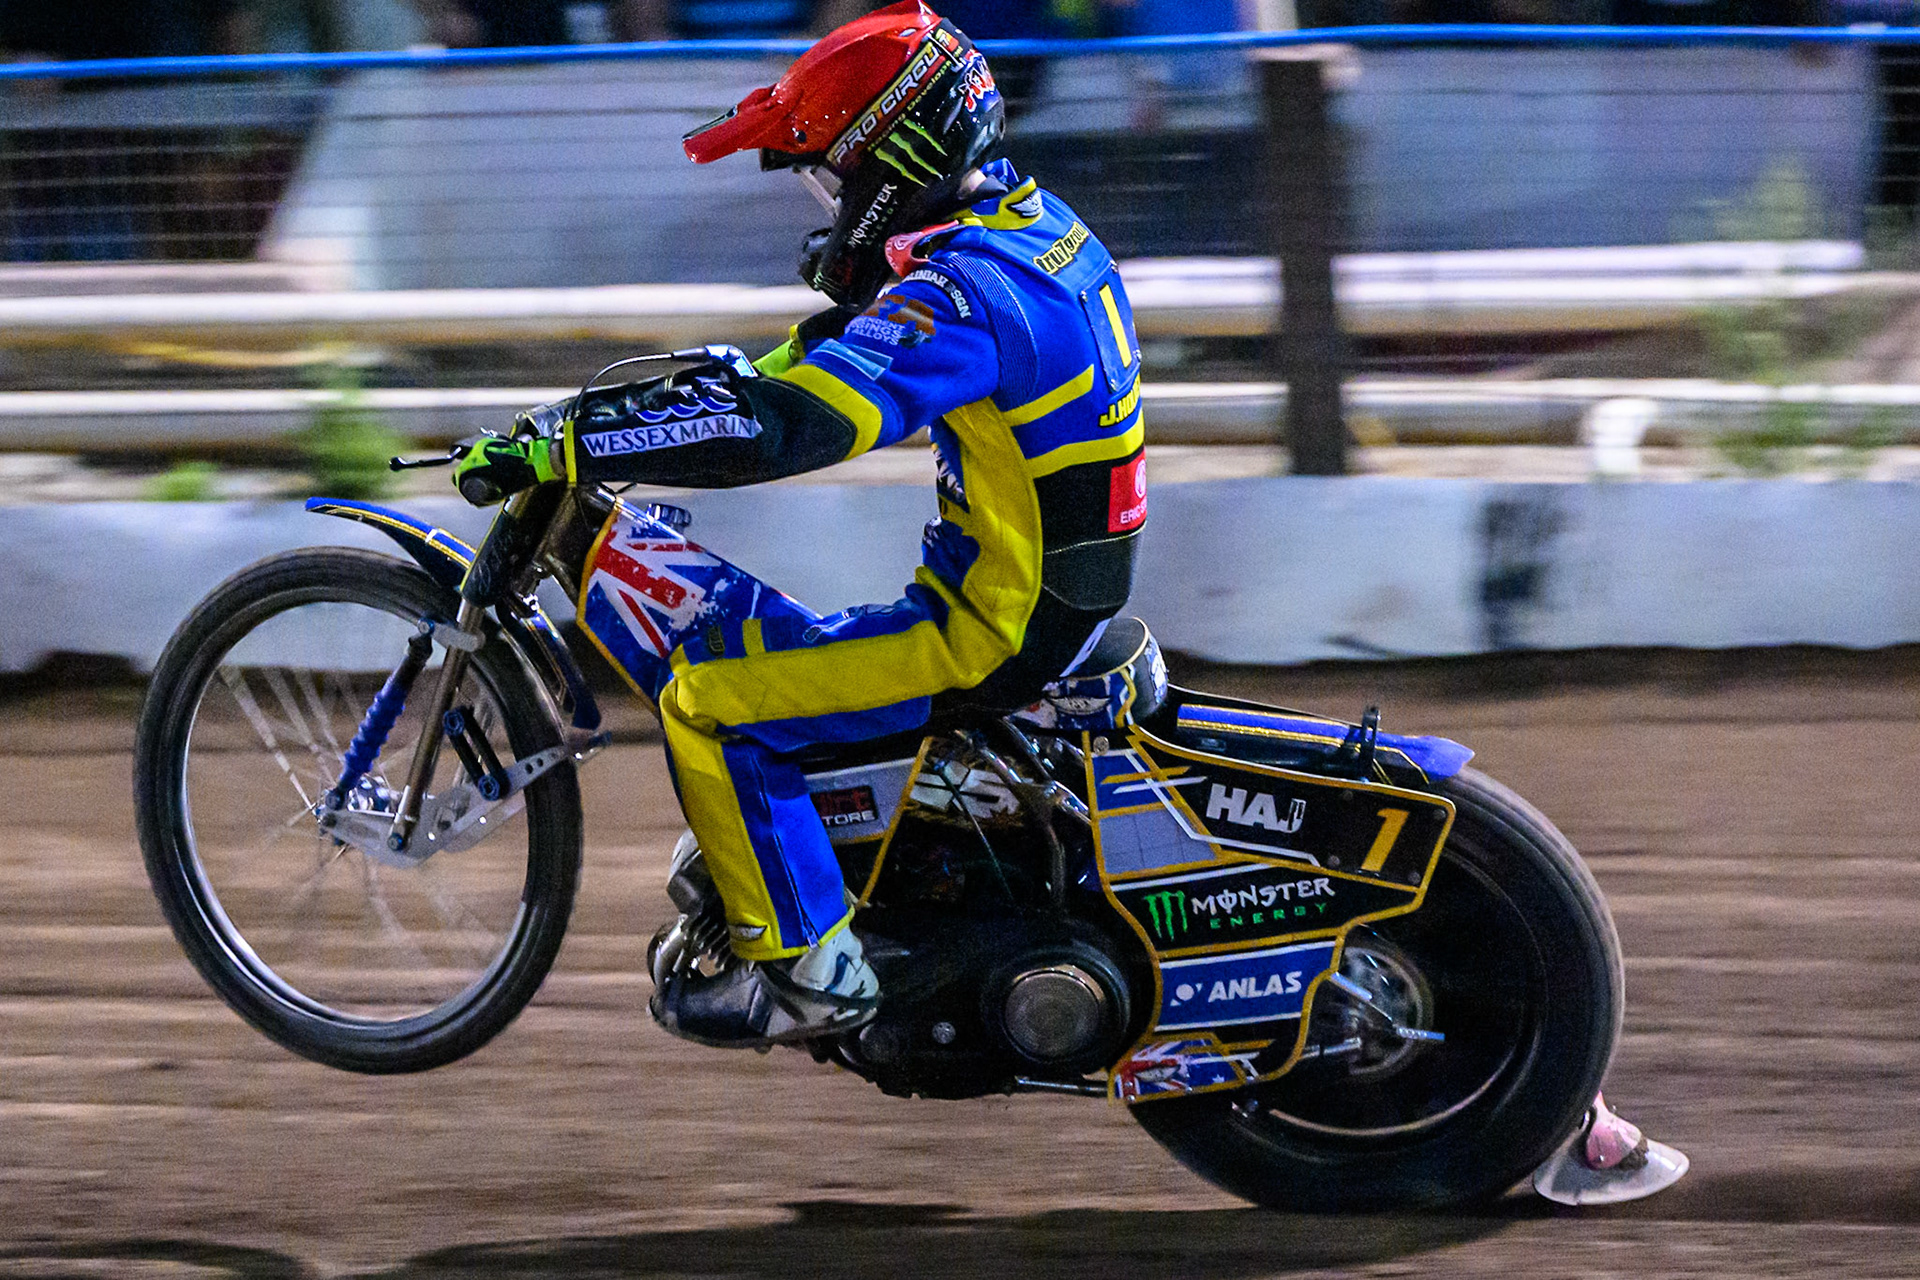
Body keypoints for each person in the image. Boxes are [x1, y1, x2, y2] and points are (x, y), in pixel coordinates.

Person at [450, 0, 1147, 1048]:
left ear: (891, 160)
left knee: (708, 697)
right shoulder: (1030, 231)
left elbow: (792, 428)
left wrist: (576, 443)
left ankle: (813, 971)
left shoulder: (964, 297)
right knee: (770, 644)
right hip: (1051, 599)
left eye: (831, 176)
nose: (825, 203)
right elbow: (817, 362)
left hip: (988, 627)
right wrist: (688, 396)